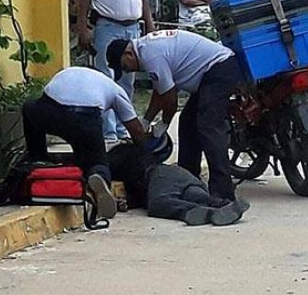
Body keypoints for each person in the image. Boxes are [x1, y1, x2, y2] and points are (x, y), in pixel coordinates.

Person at [106, 29, 245, 205]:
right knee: (187, 124)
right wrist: (147, 121)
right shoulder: (145, 49)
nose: (128, 71)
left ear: (128, 53)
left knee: (208, 126)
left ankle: (223, 193)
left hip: (219, 68)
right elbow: (160, 91)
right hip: (209, 74)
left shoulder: (150, 56)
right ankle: (188, 181)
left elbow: (170, 99)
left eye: (125, 66)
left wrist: (162, 125)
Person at [21, 67, 148, 219]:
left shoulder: (68, 71)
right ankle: (99, 177)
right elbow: (137, 132)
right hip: (85, 119)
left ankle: (38, 159)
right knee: (97, 161)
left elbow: (47, 96)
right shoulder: (114, 88)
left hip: (49, 111)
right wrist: (146, 148)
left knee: (28, 108)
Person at [77, 0, 155, 141]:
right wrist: (82, 29)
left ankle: (125, 128)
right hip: (107, 26)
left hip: (133, 27)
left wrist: (149, 24)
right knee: (106, 78)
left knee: (127, 79)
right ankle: (108, 132)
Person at [107, 143, 250, 226]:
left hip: (158, 175)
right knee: (195, 195)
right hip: (180, 174)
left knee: (159, 204)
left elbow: (147, 194)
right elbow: (141, 196)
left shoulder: (118, 158)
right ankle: (225, 205)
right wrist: (127, 203)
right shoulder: (137, 153)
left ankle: (199, 212)